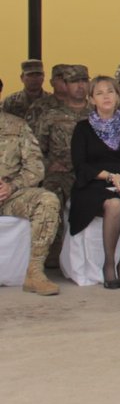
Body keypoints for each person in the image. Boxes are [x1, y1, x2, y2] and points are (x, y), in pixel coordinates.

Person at [69, 76, 120, 288]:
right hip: (94, 182)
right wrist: (108, 176)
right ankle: (108, 263)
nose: (106, 96)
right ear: (91, 99)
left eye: (110, 91)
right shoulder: (82, 128)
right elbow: (80, 165)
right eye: (99, 93)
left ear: (117, 96)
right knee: (114, 204)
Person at [0, 76, 60, 295]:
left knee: (47, 200)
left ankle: (34, 272)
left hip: (10, 197)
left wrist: (12, 186)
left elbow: (35, 167)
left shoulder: (17, 126)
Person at [36, 65, 91, 265]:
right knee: (49, 196)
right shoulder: (50, 115)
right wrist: (49, 164)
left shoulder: (97, 114)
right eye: (75, 82)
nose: (80, 86)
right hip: (59, 173)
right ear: (65, 85)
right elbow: (36, 150)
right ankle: (52, 250)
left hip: (90, 172)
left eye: (84, 81)